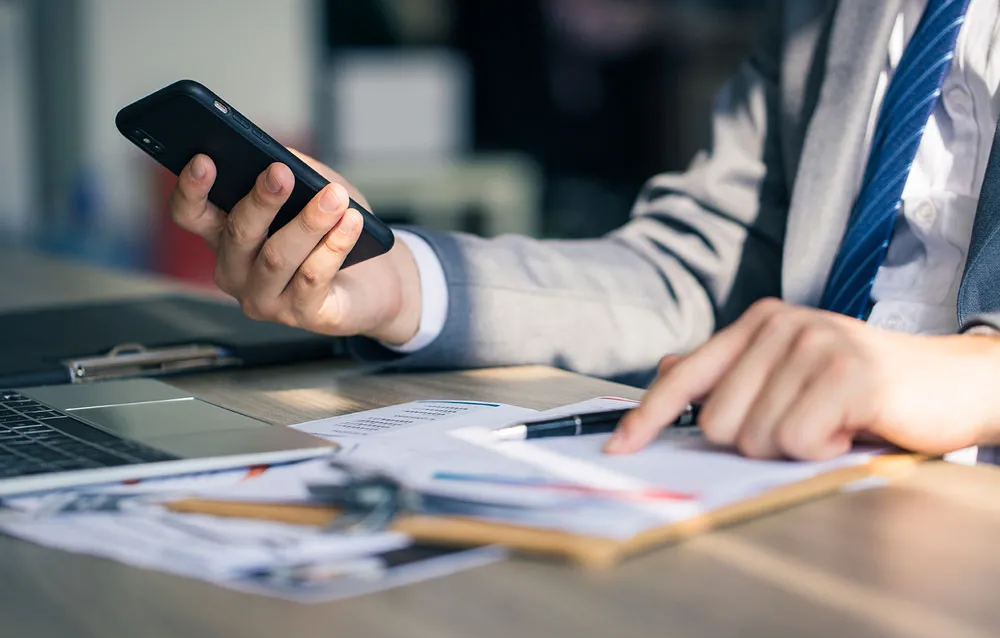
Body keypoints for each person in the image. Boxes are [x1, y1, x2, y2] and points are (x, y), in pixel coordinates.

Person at [168, 0, 1000, 463]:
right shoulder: (824, 15)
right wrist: (394, 280)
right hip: (787, 487)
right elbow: (694, 272)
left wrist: (969, 379)